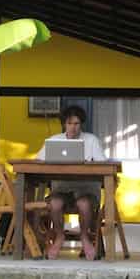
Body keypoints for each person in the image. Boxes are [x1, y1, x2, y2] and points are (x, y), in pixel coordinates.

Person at [36, 105, 106, 260]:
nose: (73, 127)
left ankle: (85, 238)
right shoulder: (54, 140)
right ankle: (60, 237)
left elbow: (103, 164)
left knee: (84, 204)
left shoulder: (91, 140)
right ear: (64, 124)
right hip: (61, 190)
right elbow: (38, 161)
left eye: (76, 124)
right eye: (69, 123)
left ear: (81, 124)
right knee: (54, 203)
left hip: (86, 190)